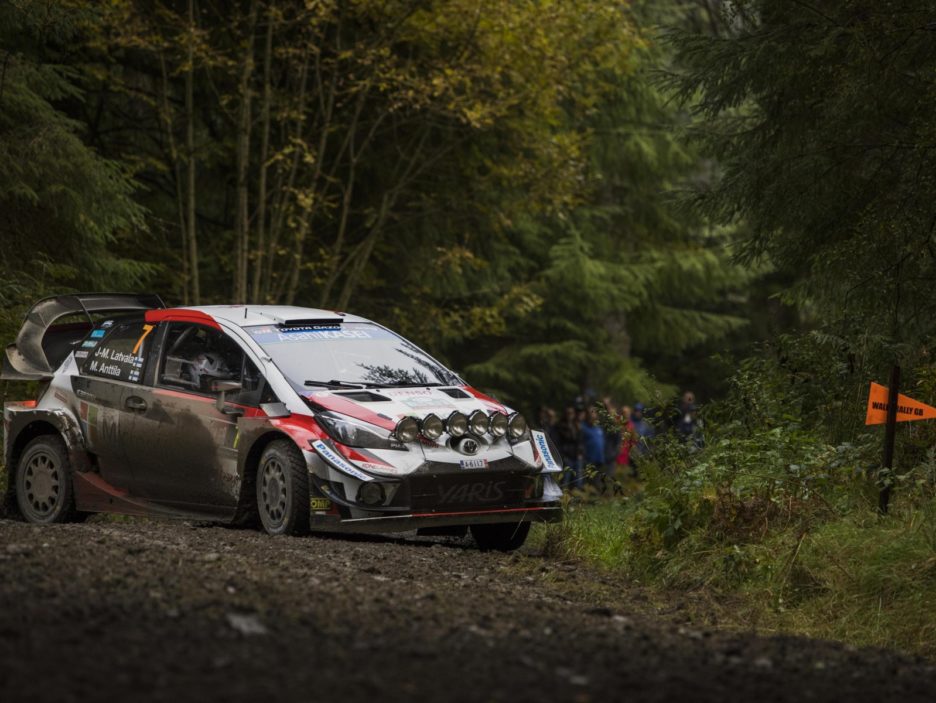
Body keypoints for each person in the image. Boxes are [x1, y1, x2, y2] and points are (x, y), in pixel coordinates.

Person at [555, 406, 584, 489]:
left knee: (578, 481)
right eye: (568, 413)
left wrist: (580, 452)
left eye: (571, 413)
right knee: (565, 481)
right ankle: (564, 496)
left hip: (577, 457)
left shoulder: (577, 426)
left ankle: (577, 496)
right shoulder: (560, 426)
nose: (570, 415)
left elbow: (580, 441)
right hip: (566, 457)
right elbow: (558, 443)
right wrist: (562, 456)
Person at [579, 406, 605, 484]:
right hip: (588, 461)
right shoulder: (582, 427)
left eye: (594, 412)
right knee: (587, 483)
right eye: (590, 413)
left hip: (599, 460)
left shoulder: (599, 427)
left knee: (597, 484)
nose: (592, 415)